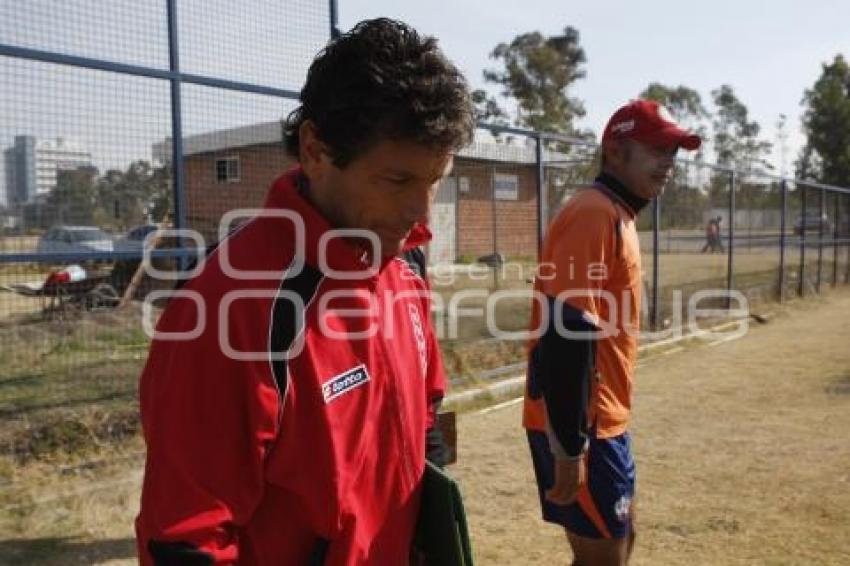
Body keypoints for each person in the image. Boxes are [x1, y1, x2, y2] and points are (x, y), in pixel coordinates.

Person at [135, 18, 473, 565]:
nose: (421, 213)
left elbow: (426, 410)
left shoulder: (401, 262)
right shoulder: (232, 304)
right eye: (397, 181)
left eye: (436, 180)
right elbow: (185, 536)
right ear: (315, 150)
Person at [523, 99, 701, 565]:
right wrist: (570, 446)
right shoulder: (594, 212)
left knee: (621, 542)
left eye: (674, 153)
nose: (668, 163)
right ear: (616, 151)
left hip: (604, 419)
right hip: (583, 423)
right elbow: (566, 330)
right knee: (603, 557)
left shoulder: (618, 214)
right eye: (657, 149)